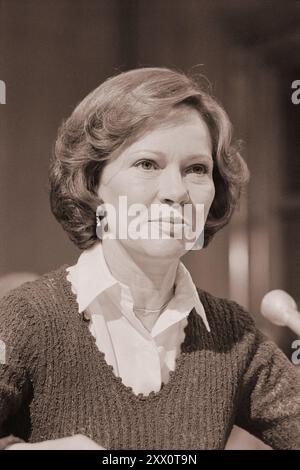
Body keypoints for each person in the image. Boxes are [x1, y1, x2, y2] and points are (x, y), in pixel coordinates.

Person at [0, 67, 299, 450]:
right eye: (147, 164)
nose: (175, 191)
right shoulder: (27, 319)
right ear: (93, 183)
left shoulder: (233, 337)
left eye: (196, 169)